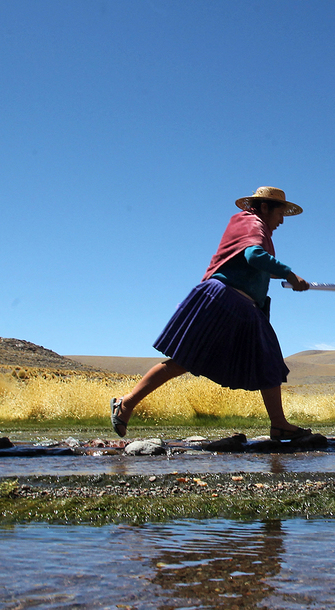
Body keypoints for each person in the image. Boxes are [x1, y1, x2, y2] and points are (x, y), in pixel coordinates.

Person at [110, 187, 312, 440]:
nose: (282, 220)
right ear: (263, 208)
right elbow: (253, 254)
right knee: (186, 359)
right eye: (280, 213)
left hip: (244, 307)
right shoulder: (251, 222)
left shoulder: (255, 227)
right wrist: (289, 274)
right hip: (224, 300)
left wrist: (282, 276)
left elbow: (252, 263)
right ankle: (126, 403)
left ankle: (279, 424)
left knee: (268, 361)